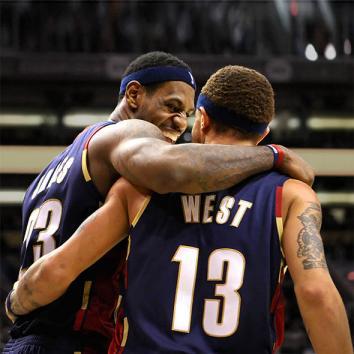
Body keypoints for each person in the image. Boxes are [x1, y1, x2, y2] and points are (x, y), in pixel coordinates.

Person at [4, 53, 315, 354]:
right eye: (172, 107)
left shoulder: (51, 170)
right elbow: (173, 170)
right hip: (75, 339)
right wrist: (274, 155)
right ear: (135, 95)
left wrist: (15, 302)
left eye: (188, 114)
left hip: (28, 332)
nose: (180, 123)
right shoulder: (132, 132)